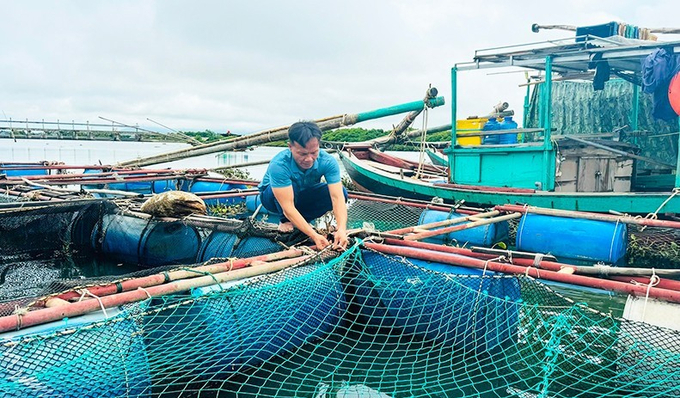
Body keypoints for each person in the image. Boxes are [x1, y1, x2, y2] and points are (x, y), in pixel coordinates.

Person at [258, 121, 349, 250]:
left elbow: (337, 198)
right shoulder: (279, 164)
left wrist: (341, 229)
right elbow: (287, 206)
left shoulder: (328, 161)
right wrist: (314, 236)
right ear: (290, 147)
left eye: (314, 153)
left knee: (343, 192)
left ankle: (302, 221)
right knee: (292, 187)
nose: (309, 159)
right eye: (302, 154)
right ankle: (285, 221)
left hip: (303, 194)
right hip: (272, 198)